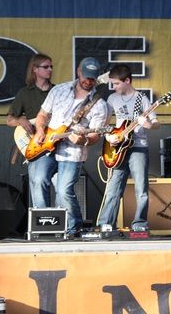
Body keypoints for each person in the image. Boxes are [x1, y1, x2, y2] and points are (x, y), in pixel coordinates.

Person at [32, 57, 108, 234]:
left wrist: (83, 140)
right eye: (86, 76)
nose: (89, 81)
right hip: (46, 146)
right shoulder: (58, 90)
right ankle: (43, 226)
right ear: (78, 71)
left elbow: (95, 136)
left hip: (73, 152)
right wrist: (40, 131)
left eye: (93, 78)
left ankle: (73, 228)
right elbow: (42, 115)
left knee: (63, 190)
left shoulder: (99, 105)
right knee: (39, 180)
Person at [97, 64, 159, 232]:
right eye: (113, 83)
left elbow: (156, 123)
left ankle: (139, 225)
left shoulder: (142, 99)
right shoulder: (112, 99)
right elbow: (104, 124)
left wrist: (148, 124)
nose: (114, 87)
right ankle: (106, 224)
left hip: (138, 148)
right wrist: (108, 136)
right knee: (113, 188)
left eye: (117, 83)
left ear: (127, 81)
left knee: (141, 189)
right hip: (118, 148)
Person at [6, 53, 54, 207]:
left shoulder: (57, 91)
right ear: (35, 69)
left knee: (63, 187)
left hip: (56, 141)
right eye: (46, 67)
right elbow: (9, 119)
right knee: (37, 183)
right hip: (36, 144)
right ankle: (42, 219)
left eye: (51, 66)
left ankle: (63, 220)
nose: (50, 69)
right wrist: (21, 120)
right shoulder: (25, 93)